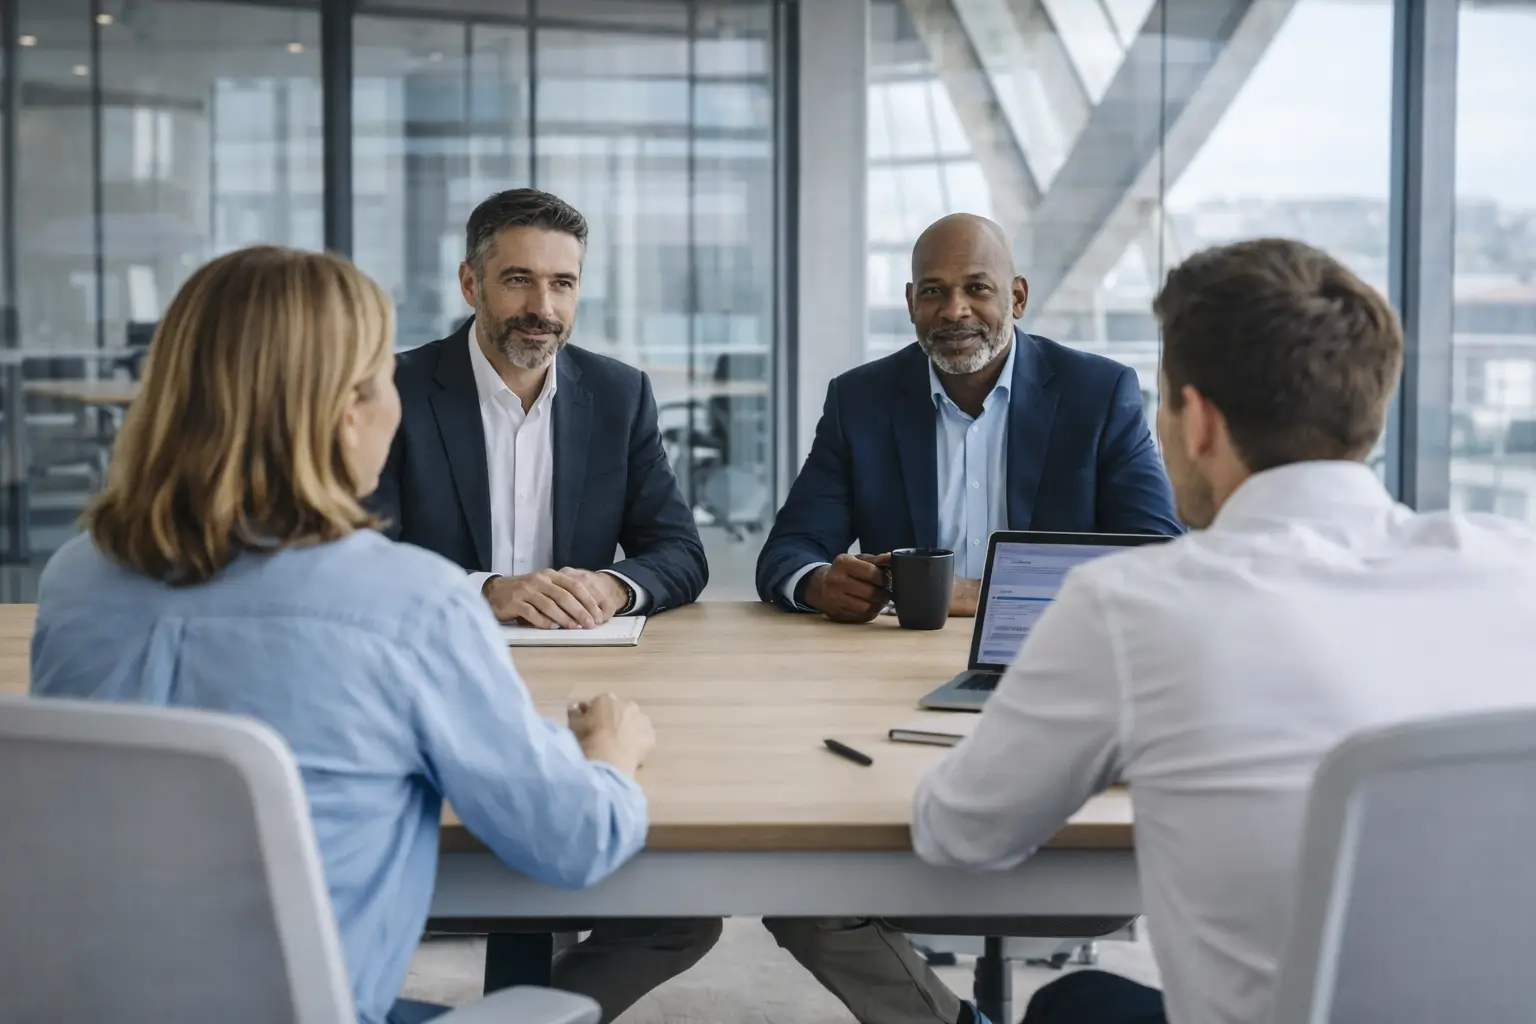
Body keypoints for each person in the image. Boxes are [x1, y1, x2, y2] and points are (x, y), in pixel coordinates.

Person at [27, 246, 680, 1024]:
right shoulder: (409, 604)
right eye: (382, 382)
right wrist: (612, 750)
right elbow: (574, 844)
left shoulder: (75, 579)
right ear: (346, 410)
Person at [911, 237, 1536, 1023]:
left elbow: (960, 836)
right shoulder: (1518, 570)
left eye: (1164, 406)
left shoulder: (1135, 607)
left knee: (1071, 1007)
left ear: (1199, 421)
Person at [756, 213, 1180, 623]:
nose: (954, 310)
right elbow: (791, 549)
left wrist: (985, 593)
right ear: (910, 302)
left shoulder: (1098, 394)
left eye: (977, 288)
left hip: (1054, 645)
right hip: (897, 654)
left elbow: (1156, 554)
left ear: (1017, 298)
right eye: (933, 291)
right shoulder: (860, 400)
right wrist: (819, 583)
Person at [372, 188, 707, 629]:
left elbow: (680, 551)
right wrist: (485, 591)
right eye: (518, 280)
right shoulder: (392, 390)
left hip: (576, 658)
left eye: (561, 284)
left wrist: (611, 587)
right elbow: (362, 555)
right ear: (470, 284)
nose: (542, 309)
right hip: (431, 649)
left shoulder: (619, 395)